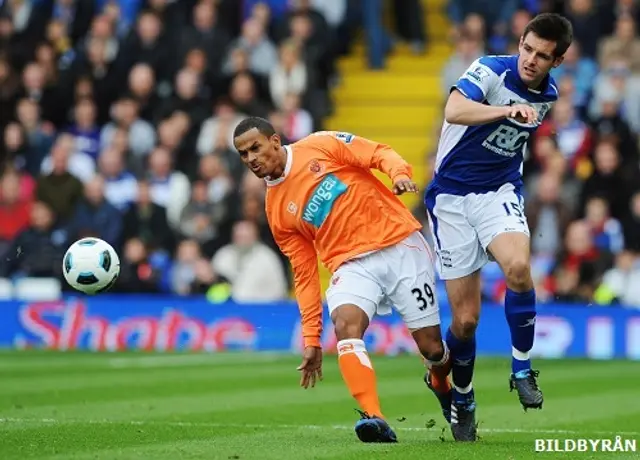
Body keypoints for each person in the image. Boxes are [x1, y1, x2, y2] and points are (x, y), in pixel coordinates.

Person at [233, 117, 450, 443]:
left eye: (255, 148)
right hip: (350, 265)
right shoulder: (276, 211)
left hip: (400, 244)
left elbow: (377, 153)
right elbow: (304, 275)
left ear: (275, 141)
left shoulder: (320, 144)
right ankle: (374, 417)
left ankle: (441, 382)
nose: (250, 158)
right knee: (346, 325)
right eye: (243, 154)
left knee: (432, 348)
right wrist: (311, 339)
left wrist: (400, 173)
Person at [424, 13, 573, 442]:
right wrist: (506, 108)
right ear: (519, 41)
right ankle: (464, 397)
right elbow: (453, 109)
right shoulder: (490, 68)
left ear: (557, 61)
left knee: (519, 269)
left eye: (542, 56)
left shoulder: (549, 93)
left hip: (497, 192)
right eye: (527, 48)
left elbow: (507, 146)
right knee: (466, 322)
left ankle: (522, 367)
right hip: (450, 200)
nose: (530, 60)